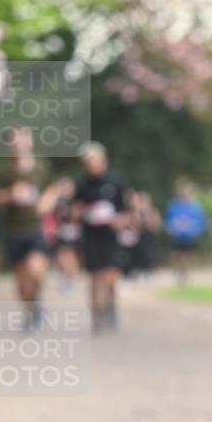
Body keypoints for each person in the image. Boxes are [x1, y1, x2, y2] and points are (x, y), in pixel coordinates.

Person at [0, 127, 58, 328]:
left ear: (29, 142)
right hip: (14, 229)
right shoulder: (4, 170)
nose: (18, 144)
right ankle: (30, 313)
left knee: (35, 270)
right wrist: (11, 195)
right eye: (14, 141)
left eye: (21, 140)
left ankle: (37, 300)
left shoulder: (41, 166)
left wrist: (46, 202)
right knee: (21, 280)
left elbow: (53, 189)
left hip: (35, 228)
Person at [73, 142, 127, 332]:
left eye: (94, 160)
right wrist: (82, 213)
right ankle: (96, 315)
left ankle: (110, 306)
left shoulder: (115, 181)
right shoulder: (81, 184)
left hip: (110, 235)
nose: (91, 164)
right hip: (90, 235)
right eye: (87, 162)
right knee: (95, 276)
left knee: (111, 276)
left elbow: (126, 210)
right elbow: (74, 210)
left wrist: (120, 220)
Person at [164, 180, 208, 284]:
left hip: (189, 236)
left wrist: (196, 229)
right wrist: (171, 228)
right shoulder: (173, 206)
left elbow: (201, 220)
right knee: (176, 255)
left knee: (189, 256)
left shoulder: (195, 206)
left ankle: (187, 274)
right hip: (177, 236)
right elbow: (168, 220)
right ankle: (178, 273)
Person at [51, 177, 82, 292]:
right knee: (61, 257)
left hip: (74, 231)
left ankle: (70, 280)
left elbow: (77, 215)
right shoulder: (58, 201)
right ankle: (65, 278)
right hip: (61, 231)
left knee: (71, 257)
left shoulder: (76, 199)